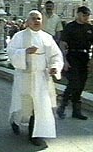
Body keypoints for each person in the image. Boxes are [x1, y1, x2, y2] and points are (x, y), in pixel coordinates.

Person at [7, 10, 63, 147]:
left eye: (39, 19)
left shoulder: (47, 38)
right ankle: (15, 121)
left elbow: (55, 56)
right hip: (23, 77)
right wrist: (24, 52)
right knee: (22, 105)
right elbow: (11, 52)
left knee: (39, 107)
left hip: (41, 79)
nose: (36, 21)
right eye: (33, 18)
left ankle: (35, 134)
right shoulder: (19, 36)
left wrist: (55, 67)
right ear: (27, 21)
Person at [57, 6, 93, 120]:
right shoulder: (70, 27)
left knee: (81, 84)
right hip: (72, 56)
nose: (86, 17)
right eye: (84, 15)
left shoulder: (90, 28)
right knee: (74, 82)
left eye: (88, 15)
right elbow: (62, 43)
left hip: (84, 57)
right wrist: (64, 60)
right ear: (78, 14)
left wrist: (92, 60)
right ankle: (62, 106)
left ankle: (76, 110)